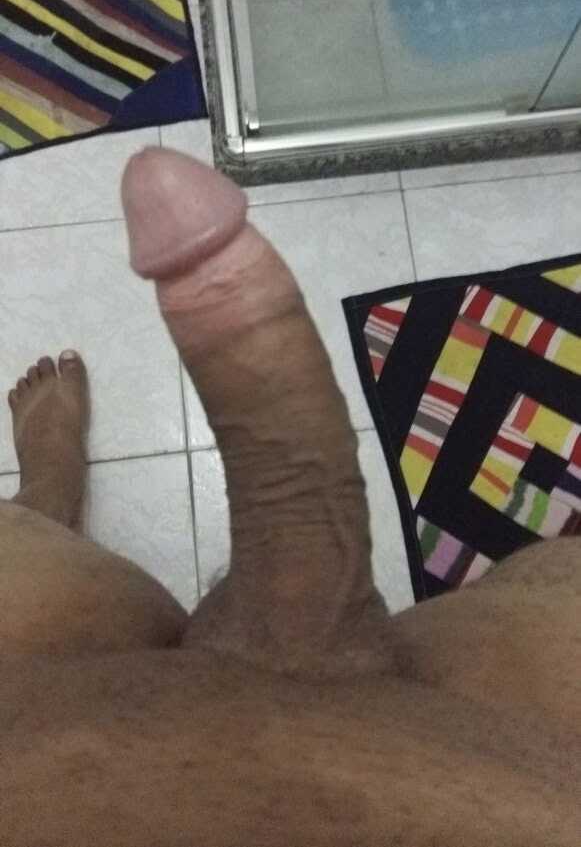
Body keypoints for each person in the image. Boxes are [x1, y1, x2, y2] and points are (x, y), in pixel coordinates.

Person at [1, 147, 579, 845]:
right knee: (560, 588)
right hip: (505, 759)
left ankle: (48, 489)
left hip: (37, 722)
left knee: (23, 556)